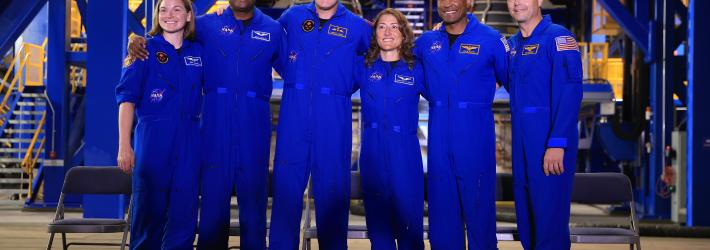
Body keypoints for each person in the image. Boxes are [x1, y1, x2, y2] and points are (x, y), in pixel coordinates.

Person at [128, 0, 286, 248]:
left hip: (254, 124)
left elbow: (296, 68)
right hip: (214, 123)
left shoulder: (273, 29)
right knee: (212, 209)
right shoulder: (208, 24)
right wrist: (137, 40)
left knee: (254, 209)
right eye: (165, 9)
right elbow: (172, 27)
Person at [267, 0, 371, 249]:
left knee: (332, 196)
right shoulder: (293, 16)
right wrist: (291, 71)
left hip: (334, 117)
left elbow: (381, 51)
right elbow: (268, 40)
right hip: (295, 113)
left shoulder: (357, 26)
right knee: (286, 195)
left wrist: (346, 82)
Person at [413, 0, 509, 248]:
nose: (449, 3)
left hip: (474, 139)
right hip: (439, 141)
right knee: (442, 221)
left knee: (479, 217)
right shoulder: (426, 43)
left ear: (469, 2)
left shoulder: (491, 40)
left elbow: (514, 81)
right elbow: (412, 77)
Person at [115, 0, 202, 249]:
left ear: (188, 16)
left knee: (184, 223)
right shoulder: (142, 51)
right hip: (153, 143)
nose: (169, 15)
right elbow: (126, 100)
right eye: (163, 10)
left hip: (189, 144)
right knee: (147, 221)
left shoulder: (199, 52)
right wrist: (124, 145)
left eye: (177, 9)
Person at [506, 0, 583, 249]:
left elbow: (570, 92)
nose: (517, 3)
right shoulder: (513, 45)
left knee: (549, 220)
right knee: (527, 221)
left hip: (547, 142)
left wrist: (557, 142)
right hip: (520, 143)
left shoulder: (558, 38)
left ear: (539, 1)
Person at [355, 8, 427, 250]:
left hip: (405, 152)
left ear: (404, 33)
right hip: (372, 153)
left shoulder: (417, 68)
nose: (388, 31)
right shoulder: (363, 66)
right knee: (379, 229)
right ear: (374, 33)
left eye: (394, 26)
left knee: (410, 227)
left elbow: (447, 93)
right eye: (382, 26)